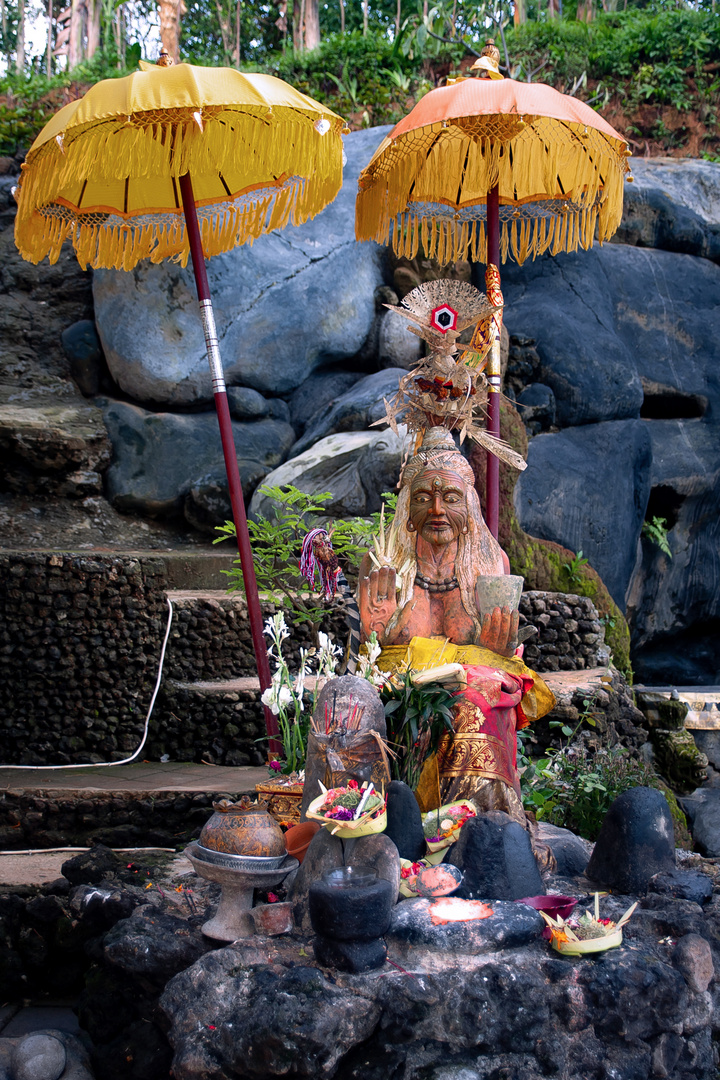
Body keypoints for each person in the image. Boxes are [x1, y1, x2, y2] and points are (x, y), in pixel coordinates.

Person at [358, 426, 554, 825]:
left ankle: (478, 828)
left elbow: (505, 660)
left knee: (475, 701)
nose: (437, 510)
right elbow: (369, 656)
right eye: (423, 498)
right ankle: (393, 823)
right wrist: (373, 635)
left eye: (450, 497)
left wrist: (496, 653)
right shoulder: (382, 564)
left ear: (470, 504)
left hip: (472, 686)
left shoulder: (490, 565)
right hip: (400, 684)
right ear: (406, 510)